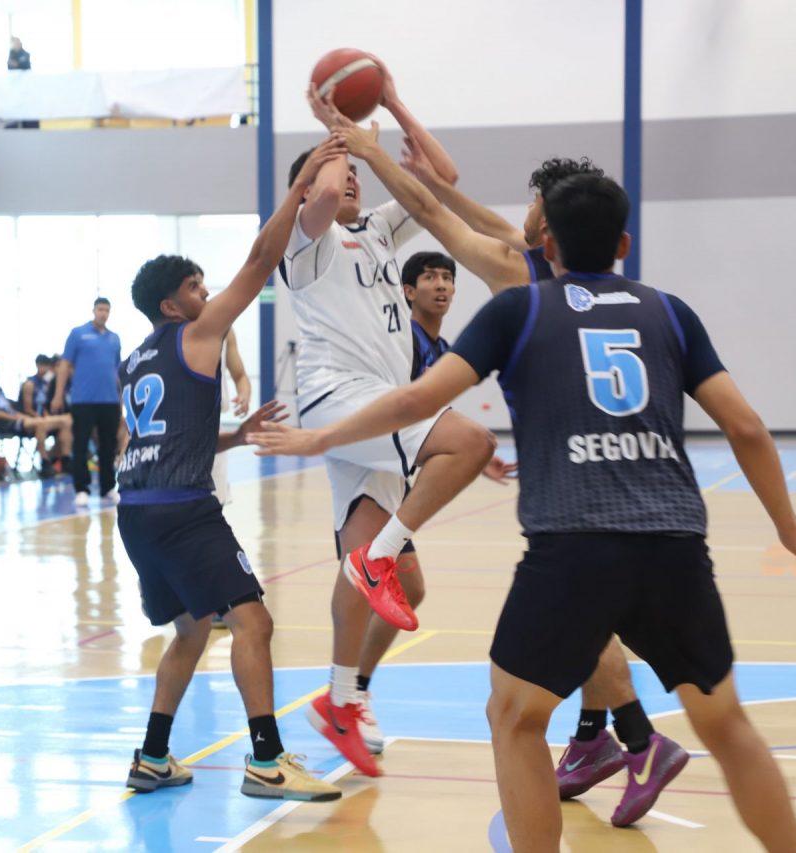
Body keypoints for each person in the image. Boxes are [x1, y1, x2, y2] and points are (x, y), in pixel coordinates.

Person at [254, 172, 796, 852]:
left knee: (515, 718)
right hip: (675, 543)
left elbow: (416, 401)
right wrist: (788, 526)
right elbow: (745, 427)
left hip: (573, 546)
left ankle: (592, 741)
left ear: (547, 244)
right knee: (727, 724)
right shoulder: (670, 312)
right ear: (623, 244)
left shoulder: (522, 308)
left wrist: (319, 438)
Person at [401, 164, 688, 814]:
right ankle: (591, 738)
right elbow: (474, 215)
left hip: (573, 475)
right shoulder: (564, 269)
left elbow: (435, 215)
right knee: (594, 613)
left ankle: (639, 740)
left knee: (577, 617)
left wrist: (380, 152)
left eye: (534, 202)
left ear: (549, 216)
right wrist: (419, 150)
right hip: (625, 468)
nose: (524, 214)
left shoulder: (522, 277)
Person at [282, 63, 515, 777]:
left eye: (356, 170)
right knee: (470, 441)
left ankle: (342, 697)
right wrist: (336, 134)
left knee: (381, 579)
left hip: (375, 401)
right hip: (337, 394)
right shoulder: (305, 239)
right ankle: (378, 561)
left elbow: (440, 176)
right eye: (340, 168)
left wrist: (393, 102)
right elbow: (325, 192)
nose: (351, 178)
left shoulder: (380, 230)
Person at [119, 137, 347, 802]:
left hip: (137, 511)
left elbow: (159, 441)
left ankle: (152, 756)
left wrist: (237, 436)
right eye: (195, 287)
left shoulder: (137, 359)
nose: (207, 292)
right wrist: (299, 188)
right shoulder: (198, 333)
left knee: (191, 629)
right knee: (254, 622)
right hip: (182, 511)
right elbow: (259, 262)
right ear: (172, 306)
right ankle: (267, 761)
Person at [53, 297, 122, 506]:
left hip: (109, 400)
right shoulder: (78, 334)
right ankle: (81, 489)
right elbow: (65, 365)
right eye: (100, 309)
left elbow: (117, 371)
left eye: (107, 310)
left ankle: (108, 487)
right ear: (94, 310)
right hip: (83, 400)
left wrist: (121, 400)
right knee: (81, 444)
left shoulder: (114, 339)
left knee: (108, 445)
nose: (103, 313)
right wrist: (58, 395)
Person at [0, 358, 71, 475]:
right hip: (6, 424)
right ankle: (44, 462)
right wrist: (17, 417)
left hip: (17, 418)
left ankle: (64, 459)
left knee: (66, 421)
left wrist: (23, 417)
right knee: (41, 423)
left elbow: (12, 411)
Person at [211, 328, 252, 507]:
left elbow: (240, 375)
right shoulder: (172, 326)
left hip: (213, 424)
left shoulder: (225, 329)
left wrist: (244, 394)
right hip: (181, 427)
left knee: (215, 502)